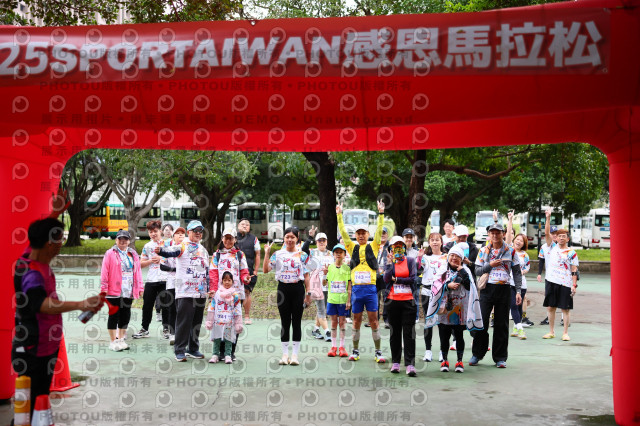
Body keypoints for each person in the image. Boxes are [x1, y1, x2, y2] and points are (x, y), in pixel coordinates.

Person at [12, 217, 104, 416]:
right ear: (49, 244)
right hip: (34, 349)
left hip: (43, 345)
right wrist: (80, 304)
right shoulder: (32, 273)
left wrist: (55, 213)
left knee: (36, 401)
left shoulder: (28, 257)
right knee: (32, 404)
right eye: (60, 239)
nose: (62, 243)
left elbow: (40, 234)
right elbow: (41, 304)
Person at [337, 200, 386, 363]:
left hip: (371, 290)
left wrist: (381, 213)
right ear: (356, 235)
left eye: (364, 233)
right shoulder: (352, 247)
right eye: (358, 233)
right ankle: (355, 351)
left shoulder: (374, 245)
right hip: (357, 291)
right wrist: (339, 215)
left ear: (367, 234)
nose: (361, 235)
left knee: (374, 321)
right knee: (356, 321)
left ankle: (378, 352)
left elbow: (379, 230)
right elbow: (343, 232)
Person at [470, 223, 523, 368]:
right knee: (481, 322)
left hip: (504, 289)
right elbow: (477, 271)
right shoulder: (483, 251)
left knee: (501, 324)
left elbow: (517, 272)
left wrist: (518, 291)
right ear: (488, 235)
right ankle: (477, 354)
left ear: (503, 234)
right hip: (487, 289)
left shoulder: (511, 251)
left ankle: (500, 357)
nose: (495, 235)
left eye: (498, 232)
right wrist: (490, 265)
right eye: (492, 233)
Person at [155, 220, 209, 361]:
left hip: (200, 292)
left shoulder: (203, 249)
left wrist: (209, 288)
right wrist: (161, 250)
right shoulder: (182, 246)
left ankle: (193, 349)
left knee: (196, 322)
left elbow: (207, 270)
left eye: (200, 231)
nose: (198, 233)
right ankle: (179, 350)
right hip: (185, 291)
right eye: (195, 231)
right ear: (189, 232)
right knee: (184, 321)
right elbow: (170, 251)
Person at [425, 245, 482, 373]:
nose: (454, 258)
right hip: (444, 309)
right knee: (444, 336)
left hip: (460, 309)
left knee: (459, 335)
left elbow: (470, 287)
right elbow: (435, 285)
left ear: (462, 259)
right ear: (448, 257)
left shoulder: (466, 270)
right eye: (452, 255)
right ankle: (445, 360)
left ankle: (459, 361)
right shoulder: (442, 269)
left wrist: (462, 272)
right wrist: (447, 285)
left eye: (457, 256)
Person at [263, 227, 311, 366]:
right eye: (287, 237)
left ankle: (295, 355)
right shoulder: (277, 254)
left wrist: (308, 294)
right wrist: (267, 253)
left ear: (297, 239)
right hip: (283, 290)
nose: (290, 239)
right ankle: (285, 355)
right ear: (284, 238)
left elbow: (306, 276)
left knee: (296, 322)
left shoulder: (302, 255)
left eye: (292, 237)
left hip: (298, 289)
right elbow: (265, 270)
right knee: (285, 322)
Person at [209, 229, 251, 360]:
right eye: (226, 238)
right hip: (220, 295)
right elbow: (213, 273)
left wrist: (246, 278)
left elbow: (244, 271)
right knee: (220, 321)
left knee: (234, 321)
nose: (228, 241)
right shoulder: (216, 255)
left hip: (236, 294)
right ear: (222, 239)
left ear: (235, 239)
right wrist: (213, 290)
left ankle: (230, 351)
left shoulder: (240, 254)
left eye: (231, 238)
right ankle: (220, 351)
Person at [100, 230, 143, 351]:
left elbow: (138, 272)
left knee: (125, 315)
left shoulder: (133, 254)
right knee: (114, 315)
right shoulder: (110, 253)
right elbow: (104, 271)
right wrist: (104, 288)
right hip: (113, 290)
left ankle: (121, 339)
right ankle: (113, 341)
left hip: (128, 289)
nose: (123, 241)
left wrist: (140, 287)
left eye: (125, 239)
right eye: (120, 239)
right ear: (116, 240)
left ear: (129, 241)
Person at [542, 208, 579, 341]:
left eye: (564, 236)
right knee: (551, 307)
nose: (561, 238)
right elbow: (547, 232)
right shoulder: (551, 247)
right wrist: (548, 218)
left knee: (565, 308)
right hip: (551, 281)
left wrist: (574, 285)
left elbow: (574, 269)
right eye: (559, 236)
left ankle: (565, 333)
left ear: (567, 239)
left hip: (565, 283)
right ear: (556, 238)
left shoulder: (571, 252)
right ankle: (551, 331)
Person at [383, 236, 418, 376]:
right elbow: (386, 279)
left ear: (404, 248)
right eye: (395, 246)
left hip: (408, 301)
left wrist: (397, 279)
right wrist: (389, 264)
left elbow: (413, 279)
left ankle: (410, 364)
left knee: (409, 334)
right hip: (392, 301)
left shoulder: (410, 261)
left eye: (400, 246)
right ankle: (396, 362)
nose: (398, 248)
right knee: (395, 333)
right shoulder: (389, 262)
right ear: (390, 249)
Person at [133, 220, 170, 340]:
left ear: (160, 231)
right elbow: (140, 264)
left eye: (155, 231)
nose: (153, 234)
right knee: (147, 305)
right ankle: (145, 328)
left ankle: (166, 329)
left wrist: (161, 259)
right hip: (151, 279)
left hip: (165, 278)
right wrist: (151, 261)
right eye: (150, 232)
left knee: (166, 305)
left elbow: (174, 260)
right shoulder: (147, 246)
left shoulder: (168, 244)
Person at [302, 227, 334, 341]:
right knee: (321, 310)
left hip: (327, 285)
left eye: (323, 240)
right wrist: (310, 237)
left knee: (322, 309)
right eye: (319, 240)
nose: (321, 242)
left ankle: (315, 329)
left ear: (326, 242)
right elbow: (303, 249)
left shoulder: (331, 254)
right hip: (316, 285)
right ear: (316, 242)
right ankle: (327, 332)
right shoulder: (312, 252)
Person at [420, 232, 447, 362]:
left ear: (441, 242)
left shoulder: (446, 257)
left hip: (441, 292)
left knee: (442, 322)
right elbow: (418, 271)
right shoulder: (424, 257)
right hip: (427, 292)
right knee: (428, 321)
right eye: (432, 240)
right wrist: (419, 259)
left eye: (437, 240)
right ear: (429, 243)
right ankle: (428, 351)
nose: (435, 242)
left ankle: (443, 351)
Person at [205, 271, 243, 364]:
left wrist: (238, 323)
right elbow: (212, 307)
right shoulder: (217, 293)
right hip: (218, 321)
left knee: (228, 339)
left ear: (232, 281)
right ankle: (215, 355)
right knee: (216, 338)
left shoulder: (235, 295)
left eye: (229, 280)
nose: (227, 282)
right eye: (225, 280)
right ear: (222, 281)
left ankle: (228, 355)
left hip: (229, 321)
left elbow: (238, 309)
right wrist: (209, 321)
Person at [505, 211, 530, 340]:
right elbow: (508, 234)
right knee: (513, 305)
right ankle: (520, 329)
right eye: (517, 239)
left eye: (522, 241)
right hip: (510, 283)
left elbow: (527, 268)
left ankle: (515, 327)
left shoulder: (525, 255)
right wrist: (510, 219)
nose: (519, 242)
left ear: (524, 243)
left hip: (521, 283)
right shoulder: (509, 250)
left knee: (519, 306)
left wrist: (521, 272)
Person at [325, 244, 352, 358]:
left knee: (342, 323)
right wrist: (324, 274)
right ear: (333, 254)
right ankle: (333, 346)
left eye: (341, 252)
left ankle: (342, 347)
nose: (338, 254)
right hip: (332, 299)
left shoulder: (347, 268)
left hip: (343, 300)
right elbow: (324, 283)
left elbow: (349, 285)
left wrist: (348, 300)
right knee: (333, 323)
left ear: (344, 254)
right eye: (336, 252)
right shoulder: (330, 267)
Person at [159, 227, 186, 345]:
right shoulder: (168, 249)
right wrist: (175, 269)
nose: (180, 235)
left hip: (185, 284)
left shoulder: (187, 249)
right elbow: (162, 266)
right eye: (178, 233)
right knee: (172, 308)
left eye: (182, 233)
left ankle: (182, 333)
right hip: (172, 282)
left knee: (183, 308)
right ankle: (172, 333)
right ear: (173, 236)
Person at [236, 218, 261, 325]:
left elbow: (258, 254)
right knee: (233, 293)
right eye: (242, 224)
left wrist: (255, 270)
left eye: (247, 224)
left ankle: (246, 316)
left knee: (246, 292)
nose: (245, 226)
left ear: (250, 227)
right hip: (233, 270)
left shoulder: (254, 239)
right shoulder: (233, 237)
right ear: (238, 226)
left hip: (248, 270)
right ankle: (235, 316)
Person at [538, 225, 559, 325]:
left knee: (561, 296)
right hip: (550, 277)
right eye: (552, 233)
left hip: (561, 276)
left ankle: (563, 318)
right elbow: (541, 260)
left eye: (556, 234)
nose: (554, 235)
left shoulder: (561, 246)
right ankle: (548, 317)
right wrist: (539, 273)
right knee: (549, 296)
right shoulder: (545, 247)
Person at [155, 223, 175, 322]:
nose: (168, 232)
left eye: (170, 230)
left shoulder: (175, 243)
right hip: (162, 272)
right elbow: (158, 256)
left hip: (172, 274)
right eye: (166, 230)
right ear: (162, 231)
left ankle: (168, 320)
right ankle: (158, 311)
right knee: (161, 294)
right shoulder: (160, 243)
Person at [376, 227, 391, 329]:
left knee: (387, 298)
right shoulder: (374, 246)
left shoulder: (390, 246)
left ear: (387, 235)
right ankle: (374, 319)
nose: (382, 235)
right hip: (375, 276)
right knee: (375, 298)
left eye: (384, 233)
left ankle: (387, 320)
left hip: (386, 275)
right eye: (380, 233)